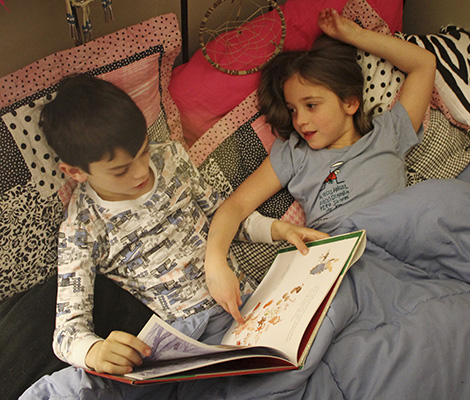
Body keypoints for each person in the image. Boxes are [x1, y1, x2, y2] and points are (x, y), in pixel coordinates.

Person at [34, 74, 326, 379]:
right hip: (191, 335)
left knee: (317, 337)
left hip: (245, 298)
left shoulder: (169, 156)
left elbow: (222, 215)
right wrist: (94, 352)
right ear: (75, 172)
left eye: (143, 151)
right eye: (121, 170)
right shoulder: (81, 228)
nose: (140, 172)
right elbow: (66, 332)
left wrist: (278, 230)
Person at [205, 9, 436, 314]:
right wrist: (215, 263)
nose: (300, 120)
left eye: (311, 105)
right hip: (349, 266)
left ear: (350, 102)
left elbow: (424, 64)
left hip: (406, 248)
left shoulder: (389, 132)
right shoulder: (295, 154)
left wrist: (353, 35)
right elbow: (233, 207)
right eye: (293, 109)